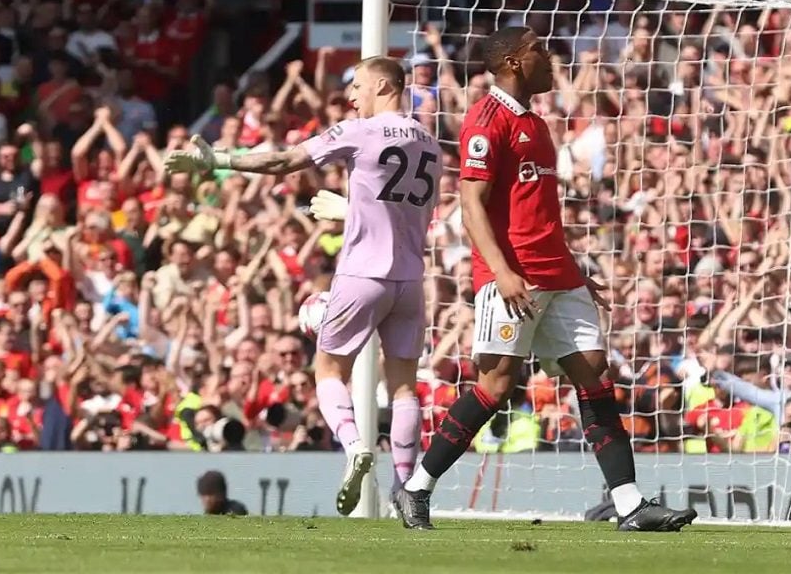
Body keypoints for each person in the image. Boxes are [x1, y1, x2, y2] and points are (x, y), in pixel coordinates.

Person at [393, 27, 698, 532]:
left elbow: (537, 211)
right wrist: (503, 272)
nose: (550, 55)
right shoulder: (485, 120)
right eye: (538, 48)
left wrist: (574, 270)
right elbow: (471, 204)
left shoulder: (534, 123)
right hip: (514, 276)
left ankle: (629, 505)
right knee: (495, 385)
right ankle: (416, 487)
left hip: (558, 273)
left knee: (595, 373)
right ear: (514, 61)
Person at [164, 56, 441, 516]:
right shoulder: (430, 142)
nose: (351, 96)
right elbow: (411, 214)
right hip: (411, 278)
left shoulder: (359, 131)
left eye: (357, 86)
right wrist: (352, 210)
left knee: (329, 370)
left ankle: (355, 446)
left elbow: (282, 160)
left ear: (382, 86)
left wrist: (219, 160)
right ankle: (406, 493)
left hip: (363, 272)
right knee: (404, 389)